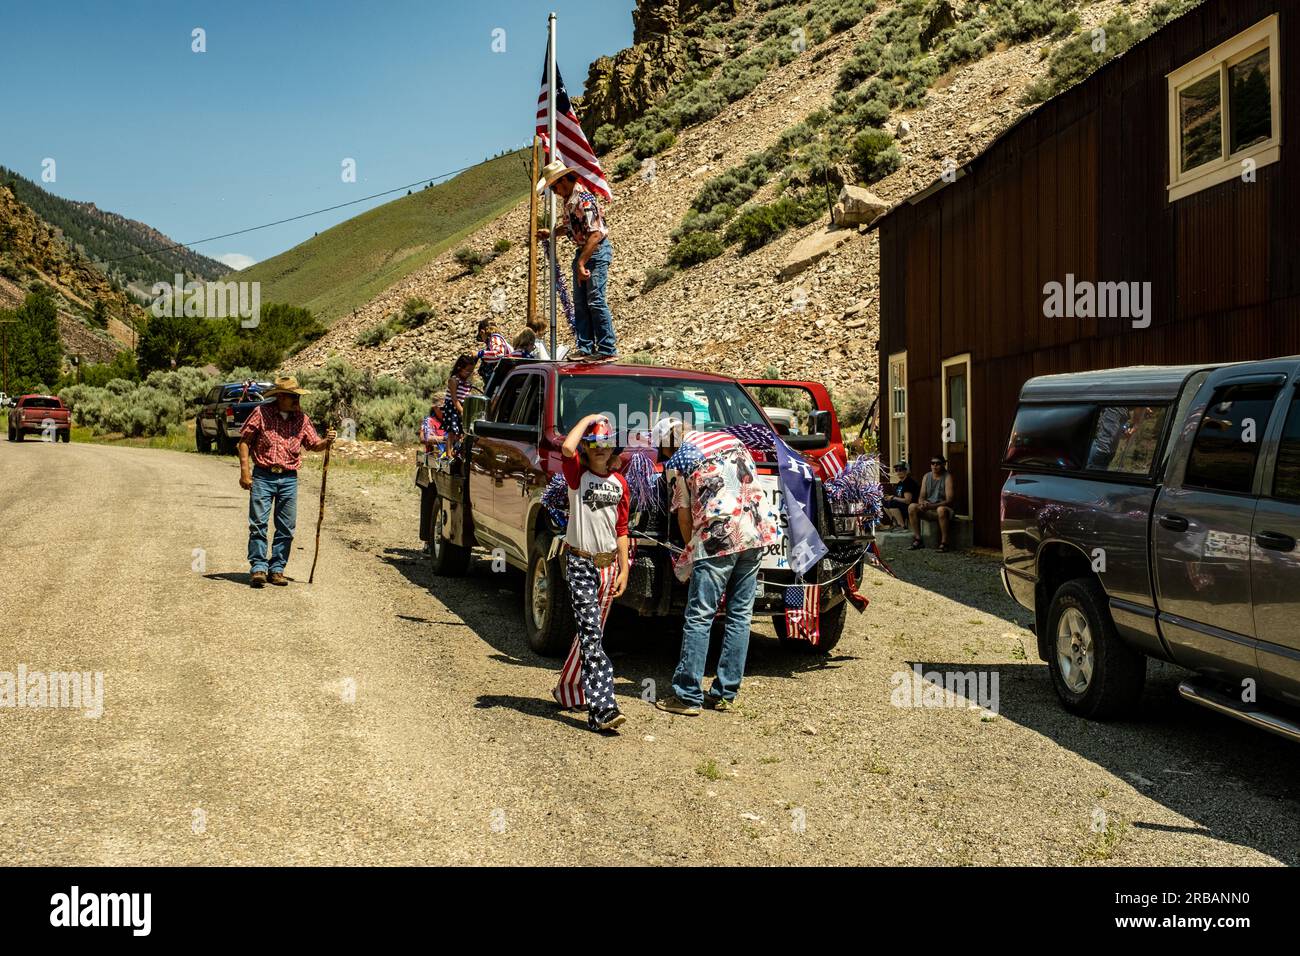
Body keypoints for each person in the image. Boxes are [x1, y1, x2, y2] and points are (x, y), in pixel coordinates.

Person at [653, 419, 777, 716]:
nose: (664, 455)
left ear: (668, 442)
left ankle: (687, 695)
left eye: (661, 449)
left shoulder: (679, 458)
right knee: (740, 616)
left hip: (718, 537)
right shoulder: (730, 440)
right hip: (756, 532)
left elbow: (684, 517)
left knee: (700, 615)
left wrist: (690, 549)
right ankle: (725, 694)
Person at [552, 414, 629, 733]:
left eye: (605, 445)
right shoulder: (576, 476)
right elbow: (567, 449)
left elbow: (622, 529)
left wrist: (625, 568)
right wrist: (587, 420)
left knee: (592, 634)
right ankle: (603, 708)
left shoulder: (620, 484)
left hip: (609, 565)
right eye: (594, 445)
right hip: (580, 563)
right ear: (587, 448)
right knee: (592, 635)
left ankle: (567, 690)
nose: (600, 450)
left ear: (613, 451)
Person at [237, 376, 336, 588]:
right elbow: (244, 442)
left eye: (298, 397)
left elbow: (313, 445)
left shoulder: (301, 419)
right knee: (259, 524)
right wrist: (245, 473)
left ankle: (277, 569)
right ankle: (258, 567)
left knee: (286, 527)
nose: (297, 401)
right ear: (280, 397)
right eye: (293, 397)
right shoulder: (261, 413)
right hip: (263, 475)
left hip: (288, 478)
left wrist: (326, 441)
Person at [535, 160, 616, 360]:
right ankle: (586, 347)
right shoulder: (571, 201)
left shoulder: (584, 199)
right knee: (581, 303)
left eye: (553, 186)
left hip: (594, 252)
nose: (554, 191)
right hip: (585, 252)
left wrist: (581, 263)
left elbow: (595, 234)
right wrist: (552, 232)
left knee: (595, 301)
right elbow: (575, 226)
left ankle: (606, 349)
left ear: (563, 181)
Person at [908, 455, 956, 552]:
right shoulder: (927, 476)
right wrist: (922, 504)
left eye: (938, 463)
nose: (935, 466)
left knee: (941, 509)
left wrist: (932, 506)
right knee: (912, 507)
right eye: (932, 463)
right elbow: (921, 496)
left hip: (944, 509)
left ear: (943, 464)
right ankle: (918, 539)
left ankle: (944, 543)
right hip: (929, 508)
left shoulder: (947, 477)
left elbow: (949, 500)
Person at [442, 355, 476, 456]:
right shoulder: (454, 380)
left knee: (462, 431)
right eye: (468, 371)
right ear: (459, 368)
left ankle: (457, 452)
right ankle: (448, 454)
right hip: (453, 407)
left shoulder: (467, 382)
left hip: (463, 406)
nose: (469, 373)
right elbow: (454, 398)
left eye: (471, 371)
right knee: (452, 432)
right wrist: (461, 411)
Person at [476, 319, 514, 393]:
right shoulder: (497, 339)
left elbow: (499, 354)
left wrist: (480, 354)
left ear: (482, 332)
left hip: (503, 381)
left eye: (481, 337)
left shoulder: (495, 338)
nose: (483, 341)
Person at [881, 461, 919, 528]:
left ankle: (901, 525)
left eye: (900, 470)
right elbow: (898, 497)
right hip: (902, 506)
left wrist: (893, 497)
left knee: (892, 503)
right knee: (884, 501)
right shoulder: (900, 483)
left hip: (910, 507)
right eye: (896, 470)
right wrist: (889, 497)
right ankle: (895, 523)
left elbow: (908, 501)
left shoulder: (908, 482)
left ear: (907, 471)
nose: (898, 472)